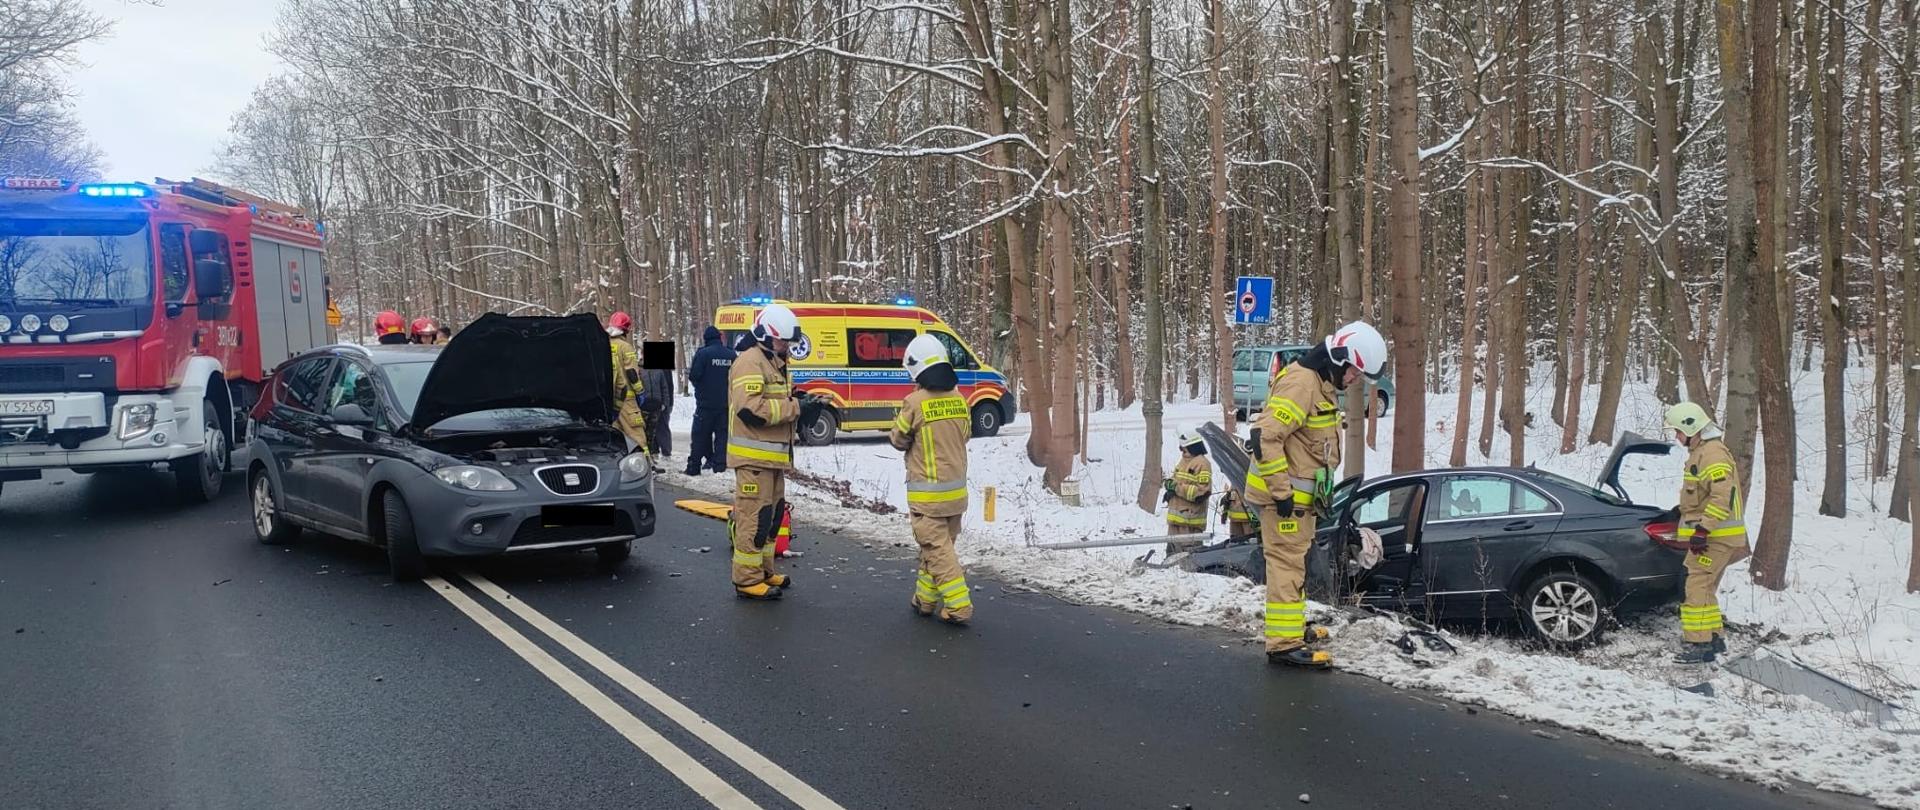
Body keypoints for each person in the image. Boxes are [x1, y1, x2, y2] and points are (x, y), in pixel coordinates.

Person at [1244, 320, 1386, 668]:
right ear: (1340, 358)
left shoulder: (1318, 384)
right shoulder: (1302, 384)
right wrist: (1281, 495)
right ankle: (1283, 645)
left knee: (1295, 566)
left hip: (1299, 504)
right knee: (1286, 567)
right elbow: (1265, 436)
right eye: (1354, 373)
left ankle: (1291, 628)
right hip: (1285, 503)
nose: (1353, 381)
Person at [892, 333, 973, 624]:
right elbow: (965, 434)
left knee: (938, 551)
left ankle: (959, 605)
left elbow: (898, 439)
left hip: (928, 497)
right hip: (956, 495)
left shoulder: (914, 402)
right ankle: (925, 600)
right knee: (936, 548)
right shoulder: (960, 400)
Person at [1665, 402, 1751, 664]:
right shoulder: (1703, 451)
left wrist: (1703, 530)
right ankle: (1713, 638)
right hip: (1714, 536)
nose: (1677, 437)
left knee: (1696, 587)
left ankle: (1698, 644)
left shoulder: (1712, 454)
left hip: (1716, 537)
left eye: (1678, 431)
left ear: (1691, 428)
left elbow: (1721, 497)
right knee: (1706, 588)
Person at [727, 303, 802, 600]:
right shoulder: (750, 362)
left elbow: (772, 398)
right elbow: (750, 409)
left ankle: (764, 570)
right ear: (766, 335)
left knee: (772, 518)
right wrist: (795, 408)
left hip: (771, 459)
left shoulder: (773, 361)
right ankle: (746, 579)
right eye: (782, 341)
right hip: (753, 460)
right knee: (753, 519)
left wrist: (800, 400)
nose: (786, 346)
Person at [686, 325, 736, 475]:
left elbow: (694, 376)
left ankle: (694, 466)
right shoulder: (731, 355)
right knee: (722, 436)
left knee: (700, 435)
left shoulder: (703, 354)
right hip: (725, 404)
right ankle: (720, 466)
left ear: (706, 339)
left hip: (705, 404)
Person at [1163, 430, 1212, 553]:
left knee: (1189, 558)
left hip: (1190, 523)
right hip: (1175, 521)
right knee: (1171, 555)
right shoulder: (1183, 460)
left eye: (1183, 448)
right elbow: (1177, 479)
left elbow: (1202, 493)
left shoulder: (1202, 463)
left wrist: (1176, 488)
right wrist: (1169, 485)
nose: (1182, 450)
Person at [606, 312, 648, 452]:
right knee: (636, 433)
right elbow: (631, 373)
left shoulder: (604, 345)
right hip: (627, 399)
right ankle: (645, 464)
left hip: (611, 399)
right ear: (626, 329)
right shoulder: (625, 347)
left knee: (616, 432)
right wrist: (640, 391)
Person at [643, 363, 674, 460]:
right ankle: (653, 451)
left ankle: (666, 452)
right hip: (646, 403)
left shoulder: (662, 370)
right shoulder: (641, 369)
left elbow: (667, 386)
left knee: (662, 426)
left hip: (659, 402)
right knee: (650, 428)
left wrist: (667, 403)